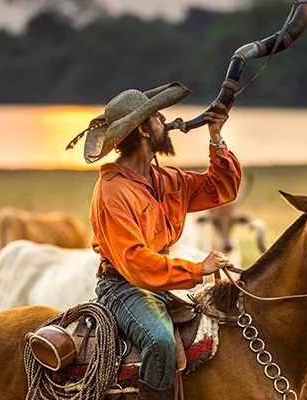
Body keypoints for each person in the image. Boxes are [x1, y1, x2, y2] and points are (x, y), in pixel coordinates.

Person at [68, 81, 242, 399]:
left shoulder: (165, 178)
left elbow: (222, 188)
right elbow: (135, 262)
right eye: (157, 117)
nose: (164, 120)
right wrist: (197, 269)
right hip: (124, 288)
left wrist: (216, 137)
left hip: (160, 284)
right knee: (160, 341)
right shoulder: (112, 192)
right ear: (144, 131)